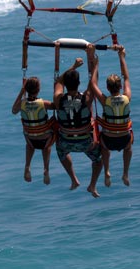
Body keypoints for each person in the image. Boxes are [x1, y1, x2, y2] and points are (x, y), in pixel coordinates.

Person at [53, 55, 103, 198]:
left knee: (61, 152)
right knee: (98, 160)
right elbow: (93, 84)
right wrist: (95, 66)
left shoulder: (58, 99)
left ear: (66, 85)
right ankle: (92, 185)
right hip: (87, 143)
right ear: (79, 83)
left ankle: (74, 179)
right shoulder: (86, 99)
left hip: (66, 143)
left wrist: (73, 67)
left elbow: (58, 81)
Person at [89, 44, 133, 187]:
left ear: (107, 88)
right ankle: (125, 173)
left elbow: (93, 83)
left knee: (105, 148)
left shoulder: (105, 101)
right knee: (128, 148)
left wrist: (96, 65)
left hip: (108, 140)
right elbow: (126, 77)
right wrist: (121, 57)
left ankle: (107, 171)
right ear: (120, 87)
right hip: (124, 139)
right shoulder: (127, 98)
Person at [12, 77, 55, 185]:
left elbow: (13, 111)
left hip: (30, 140)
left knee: (30, 145)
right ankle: (46, 169)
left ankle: (27, 166)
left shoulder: (22, 104)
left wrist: (22, 91)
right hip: (45, 140)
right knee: (47, 146)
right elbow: (56, 106)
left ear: (26, 90)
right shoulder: (44, 103)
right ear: (38, 90)